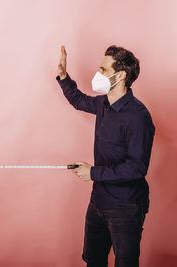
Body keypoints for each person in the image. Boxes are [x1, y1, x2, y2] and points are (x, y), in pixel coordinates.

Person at [56, 45, 155, 267]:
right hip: (98, 200)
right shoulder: (103, 103)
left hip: (126, 207)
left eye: (102, 69)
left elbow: (137, 168)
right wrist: (63, 76)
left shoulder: (138, 117)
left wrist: (92, 172)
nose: (97, 74)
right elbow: (78, 100)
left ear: (119, 76)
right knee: (94, 260)